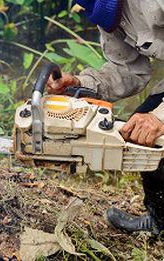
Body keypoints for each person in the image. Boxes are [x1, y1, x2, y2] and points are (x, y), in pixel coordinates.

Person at [47, 0, 164, 235]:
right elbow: (128, 69)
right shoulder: (102, 10)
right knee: (139, 133)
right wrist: (82, 86)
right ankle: (161, 222)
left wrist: (161, 117)